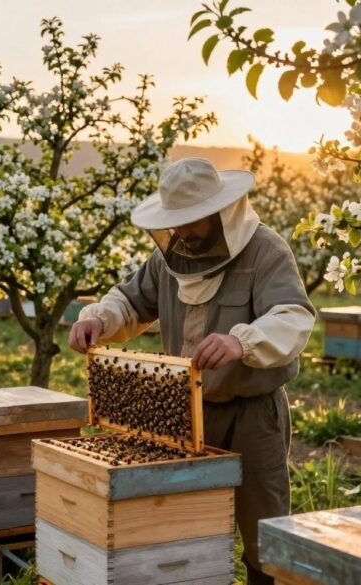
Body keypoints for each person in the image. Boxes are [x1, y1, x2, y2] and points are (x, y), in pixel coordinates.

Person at [69, 157, 315, 585]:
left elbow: (294, 315)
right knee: (183, 522)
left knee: (263, 522)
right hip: (183, 411)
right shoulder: (169, 257)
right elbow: (129, 301)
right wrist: (99, 319)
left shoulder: (265, 251)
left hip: (251, 414)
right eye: (176, 222)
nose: (182, 232)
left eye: (191, 222)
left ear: (220, 211)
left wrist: (243, 341)